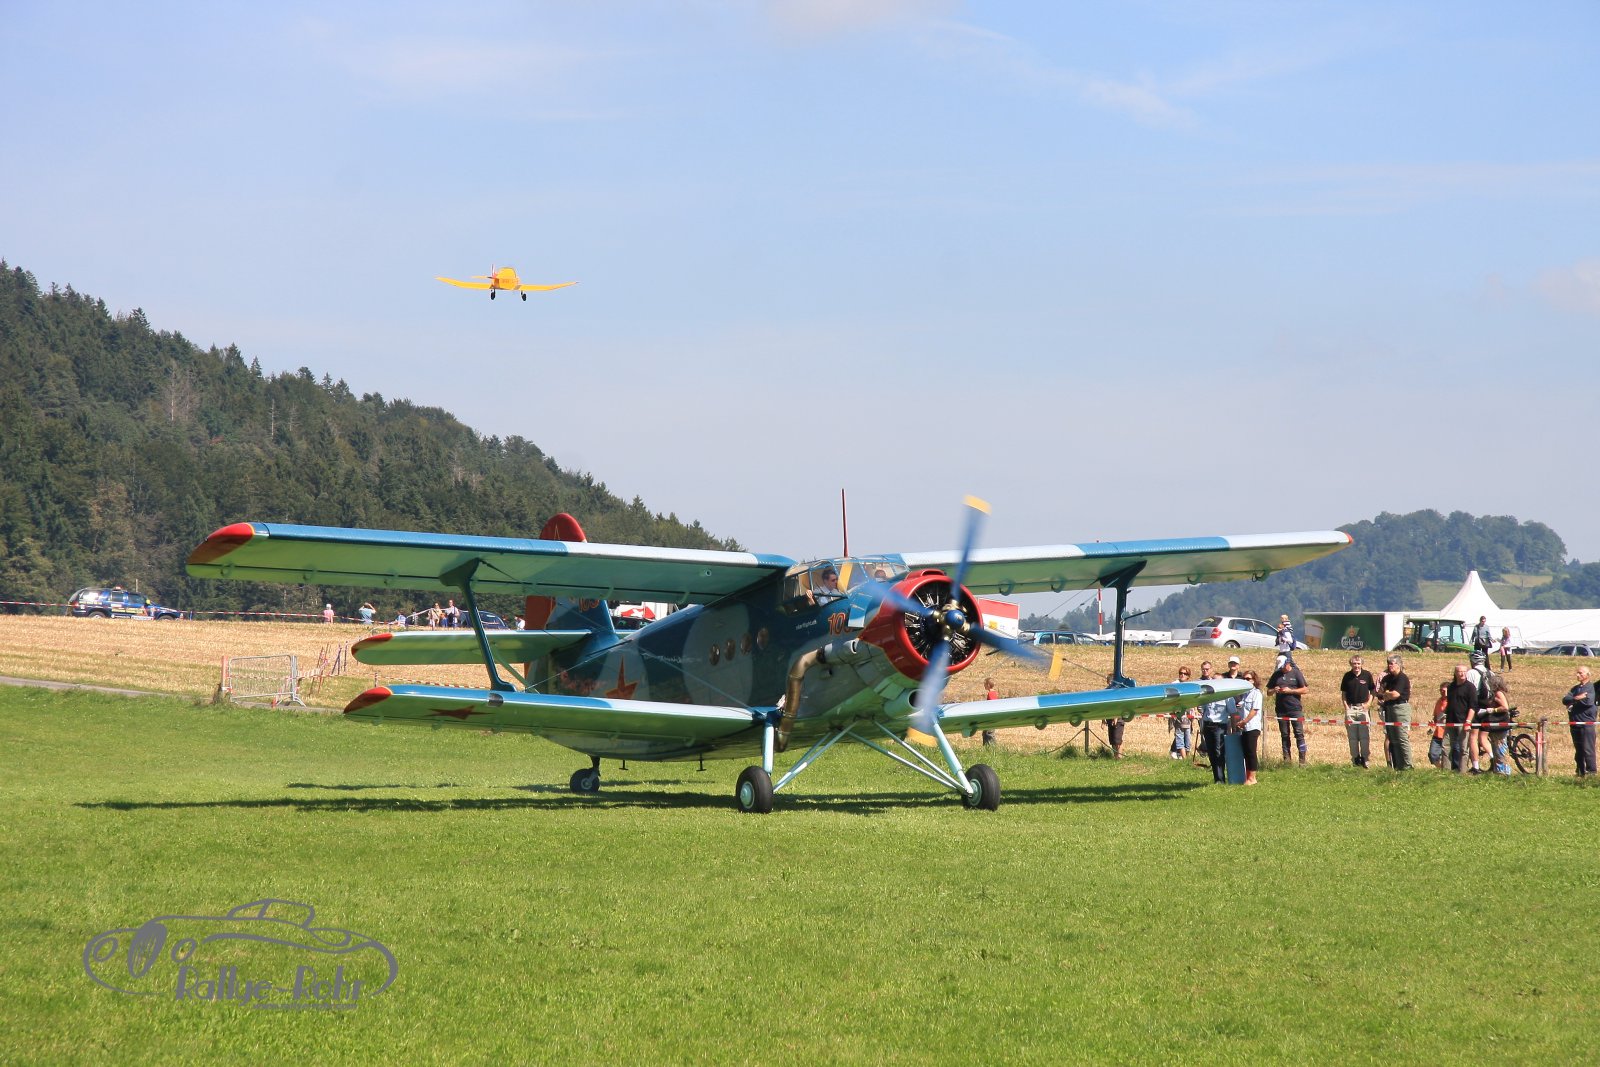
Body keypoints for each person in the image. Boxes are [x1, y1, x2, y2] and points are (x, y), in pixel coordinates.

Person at [1268, 654, 1309, 764]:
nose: (1282, 669)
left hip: (1295, 709)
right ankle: (1287, 760)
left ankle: (1302, 761)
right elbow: (1268, 692)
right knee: (1284, 735)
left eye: (1283, 666)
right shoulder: (1276, 674)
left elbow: (1305, 689)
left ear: (1288, 663)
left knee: (1299, 734)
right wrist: (1274, 690)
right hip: (1281, 710)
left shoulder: (1296, 673)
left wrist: (1290, 691)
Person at [1339, 654, 1377, 768]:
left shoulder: (1367, 675)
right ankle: (1355, 759)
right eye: (1354, 664)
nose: (1356, 666)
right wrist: (1346, 706)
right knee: (1352, 737)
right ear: (1351, 664)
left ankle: (1365, 759)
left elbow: (1373, 691)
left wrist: (1368, 704)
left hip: (1363, 709)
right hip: (1351, 709)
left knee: (1364, 736)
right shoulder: (1347, 676)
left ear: (1361, 664)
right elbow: (1344, 693)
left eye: (1358, 663)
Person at [1197, 661, 1232, 783]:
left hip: (1220, 726)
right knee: (1211, 753)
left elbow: (1232, 712)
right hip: (1208, 725)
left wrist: (1233, 728)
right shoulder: (1209, 695)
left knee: (1219, 752)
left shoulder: (1227, 695)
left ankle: (1221, 779)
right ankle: (1216, 778)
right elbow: (1202, 708)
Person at [1376, 654, 1413, 770]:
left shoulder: (1402, 678)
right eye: (1388, 663)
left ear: (1399, 665)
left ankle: (1407, 765)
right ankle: (1397, 766)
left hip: (1400, 708)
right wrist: (1387, 694)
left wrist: (1387, 693)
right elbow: (1379, 694)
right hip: (1388, 709)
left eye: (1392, 663)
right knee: (1392, 738)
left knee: (1402, 737)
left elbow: (1396, 695)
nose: (1390, 666)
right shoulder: (1386, 678)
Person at [1561, 666, 1597, 777]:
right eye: (1577, 673)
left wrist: (1573, 702)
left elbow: (1588, 702)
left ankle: (1591, 772)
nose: (1578, 675)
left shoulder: (1592, 688)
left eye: (1580, 673)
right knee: (1579, 751)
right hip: (1574, 724)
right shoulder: (1575, 689)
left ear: (1587, 674)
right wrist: (1577, 698)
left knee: (1588, 750)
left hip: (1586, 724)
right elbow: (1565, 700)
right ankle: (1580, 771)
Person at [1443, 663, 1477, 773]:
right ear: (1455, 673)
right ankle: (1446, 772)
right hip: (1450, 722)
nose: (1462, 674)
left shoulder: (1470, 687)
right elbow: (1449, 704)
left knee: (1463, 749)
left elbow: (1473, 707)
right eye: (1459, 671)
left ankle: (1463, 772)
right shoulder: (1451, 687)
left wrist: (1468, 721)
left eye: (1464, 671)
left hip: (1463, 722)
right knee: (1446, 747)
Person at [1233, 669, 1264, 785]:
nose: (1246, 681)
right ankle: (1247, 777)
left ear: (1254, 680)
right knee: (1246, 752)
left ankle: (1252, 778)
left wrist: (1244, 722)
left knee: (1251, 752)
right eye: (1244, 679)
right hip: (1245, 727)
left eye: (1248, 679)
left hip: (1252, 727)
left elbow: (1254, 711)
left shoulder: (1257, 693)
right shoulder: (1244, 694)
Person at [1465, 653, 1494, 773]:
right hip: (1488, 708)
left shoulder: (1471, 673)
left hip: (1476, 708)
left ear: (1472, 661)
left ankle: (1476, 767)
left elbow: (1467, 690)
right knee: (1483, 738)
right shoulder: (1490, 673)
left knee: (1473, 737)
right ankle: (1494, 759)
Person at [1482, 672, 1514, 776]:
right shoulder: (1495, 694)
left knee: (1500, 749)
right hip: (1496, 725)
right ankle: (1498, 770)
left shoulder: (1498, 693)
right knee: (1496, 749)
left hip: (1500, 724)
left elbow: (1505, 707)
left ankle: (1504, 771)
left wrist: (1493, 710)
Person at [1169, 665, 1193, 760]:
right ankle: (1184, 759)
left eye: (1185, 673)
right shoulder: (1174, 685)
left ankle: (1185, 757)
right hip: (1178, 714)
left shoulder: (1190, 686)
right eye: (1181, 673)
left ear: (1188, 676)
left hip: (1188, 715)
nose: (1182, 675)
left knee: (1188, 737)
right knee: (1179, 736)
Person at [1427, 681, 1449, 768]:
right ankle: (1441, 769)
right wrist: (1433, 721)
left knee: (1447, 756)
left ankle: (1447, 771)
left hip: (1448, 734)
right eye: (1440, 690)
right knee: (1432, 754)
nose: (1441, 692)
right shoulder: (1439, 701)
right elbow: (1436, 717)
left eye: (1444, 691)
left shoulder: (1452, 702)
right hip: (1437, 734)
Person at [982, 677, 999, 748]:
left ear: (988, 685)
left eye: (985, 684)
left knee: (988, 733)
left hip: (990, 717)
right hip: (992, 716)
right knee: (986, 732)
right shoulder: (994, 693)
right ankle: (988, 747)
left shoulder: (991, 693)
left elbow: (992, 704)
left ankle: (990, 748)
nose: (984, 686)